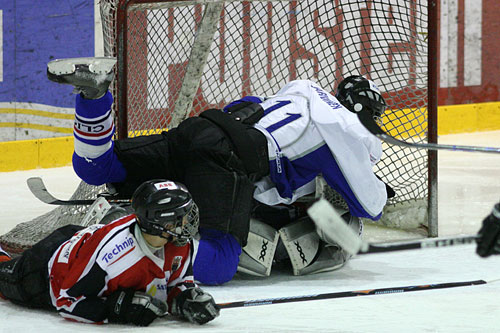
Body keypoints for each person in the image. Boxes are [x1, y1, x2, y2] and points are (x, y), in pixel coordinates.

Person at [46, 57, 392, 284]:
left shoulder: (303, 89)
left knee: (98, 167)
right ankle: (127, 256)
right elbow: (370, 206)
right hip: (225, 161)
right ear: (367, 114)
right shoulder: (348, 133)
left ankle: (93, 97)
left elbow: (245, 106)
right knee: (219, 264)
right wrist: (377, 186)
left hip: (201, 129)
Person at [0, 179, 220, 326]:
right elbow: (66, 300)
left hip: (84, 244)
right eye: (180, 216)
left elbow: (176, 284)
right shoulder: (114, 257)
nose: (187, 221)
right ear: (161, 222)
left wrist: (186, 299)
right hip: (48, 271)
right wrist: (117, 309)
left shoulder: (179, 242)